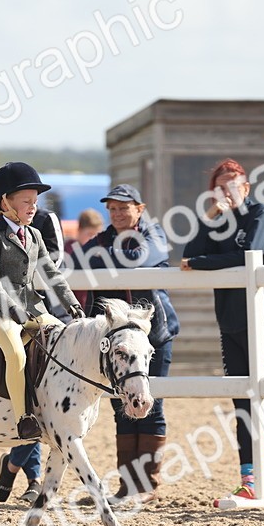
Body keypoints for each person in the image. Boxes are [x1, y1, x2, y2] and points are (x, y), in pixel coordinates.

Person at [181, 159, 264, 501]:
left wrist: (202, 264)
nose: (228, 192)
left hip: (263, 321)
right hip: (230, 320)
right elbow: (188, 254)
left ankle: (260, 480)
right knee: (241, 403)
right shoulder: (217, 221)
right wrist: (209, 217)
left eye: (233, 185)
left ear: (246, 187)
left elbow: (249, 253)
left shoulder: (260, 214)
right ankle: (249, 481)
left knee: (262, 401)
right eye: (220, 187)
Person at [72, 184, 178, 502]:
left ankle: (148, 483)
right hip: (116, 338)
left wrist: (107, 259)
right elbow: (83, 263)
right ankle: (127, 484)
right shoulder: (102, 241)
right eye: (113, 209)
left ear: (139, 209)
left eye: (124, 208)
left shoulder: (154, 235)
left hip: (152, 335)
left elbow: (140, 258)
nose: (117, 214)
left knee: (151, 403)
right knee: (121, 406)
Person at [0, 162, 85, 442]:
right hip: (0, 311)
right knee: (16, 354)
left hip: (34, 308)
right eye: (26, 201)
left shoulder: (35, 235)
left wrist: (71, 304)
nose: (33, 207)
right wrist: (10, 307)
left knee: (60, 339)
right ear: (5, 202)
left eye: (35, 202)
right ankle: (23, 418)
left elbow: (51, 273)